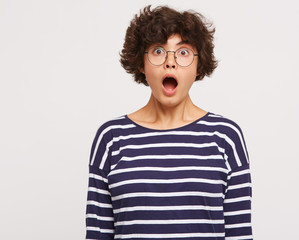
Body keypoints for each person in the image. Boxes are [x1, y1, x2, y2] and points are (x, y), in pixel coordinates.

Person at [86, 5, 253, 240]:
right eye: (158, 51)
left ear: (198, 65)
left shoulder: (226, 136)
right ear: (141, 64)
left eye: (183, 52)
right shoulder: (111, 138)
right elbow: (98, 233)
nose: (170, 62)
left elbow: (240, 234)